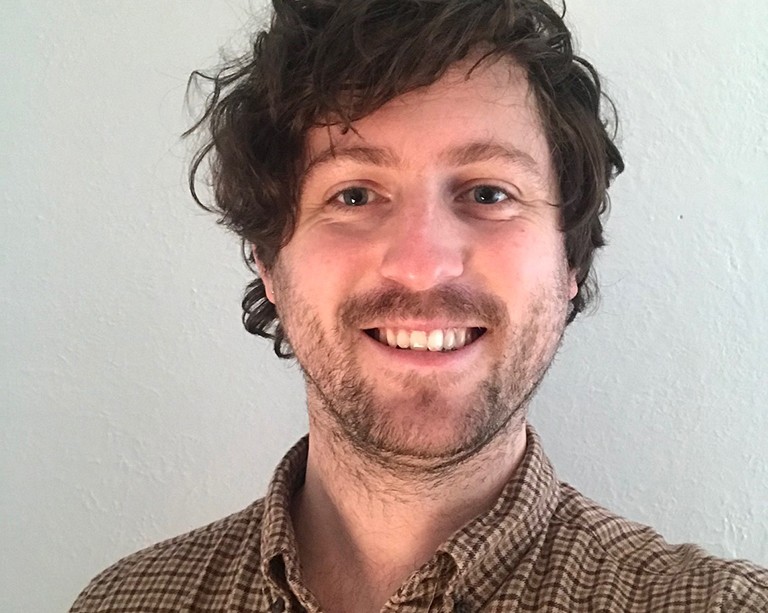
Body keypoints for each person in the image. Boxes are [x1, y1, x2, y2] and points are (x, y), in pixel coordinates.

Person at [71, 0, 768, 611]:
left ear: (572, 260)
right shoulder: (122, 601)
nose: (422, 262)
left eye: (489, 193)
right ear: (268, 259)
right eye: (353, 194)